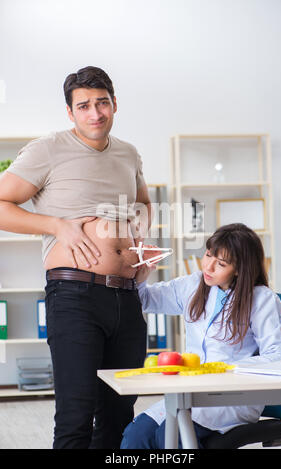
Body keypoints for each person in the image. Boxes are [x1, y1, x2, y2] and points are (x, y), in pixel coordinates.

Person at [0, 66, 154, 449]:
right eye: (84, 106)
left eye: (102, 103)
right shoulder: (46, 150)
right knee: (77, 412)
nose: (95, 113)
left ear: (114, 104)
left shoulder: (128, 153)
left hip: (127, 296)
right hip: (75, 298)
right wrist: (57, 226)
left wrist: (141, 245)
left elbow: (144, 204)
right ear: (70, 112)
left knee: (120, 412)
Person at [120, 223, 281, 449]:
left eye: (221, 263)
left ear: (240, 269)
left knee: (170, 437)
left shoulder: (261, 299)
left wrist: (226, 368)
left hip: (233, 398)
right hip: (192, 393)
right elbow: (147, 300)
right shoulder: (193, 284)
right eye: (208, 255)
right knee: (136, 435)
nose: (208, 266)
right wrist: (141, 275)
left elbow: (279, 355)